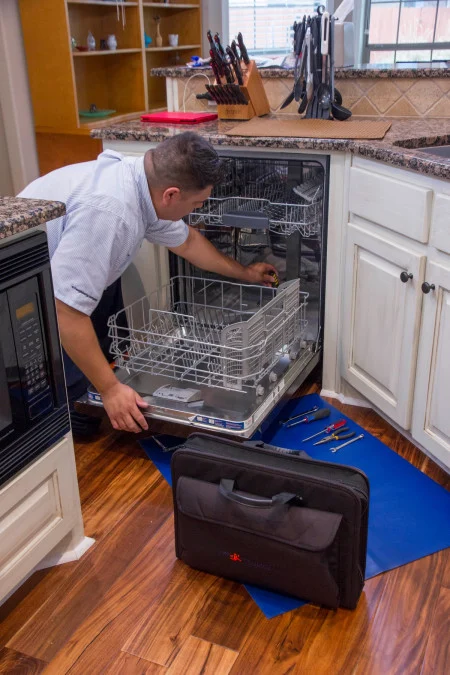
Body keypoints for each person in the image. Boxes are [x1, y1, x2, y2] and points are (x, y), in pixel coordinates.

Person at [19, 132, 276, 436]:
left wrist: (246, 273)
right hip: (23, 297)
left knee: (102, 335)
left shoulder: (141, 183)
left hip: (58, 275)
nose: (196, 211)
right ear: (171, 195)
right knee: (75, 421)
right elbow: (66, 311)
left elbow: (189, 243)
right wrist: (111, 390)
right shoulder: (110, 213)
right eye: (197, 203)